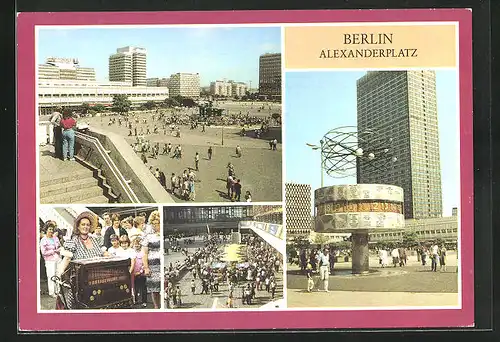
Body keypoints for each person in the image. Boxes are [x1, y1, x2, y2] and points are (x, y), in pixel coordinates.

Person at [142, 211, 162, 309]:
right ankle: (156, 307)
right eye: (153, 224)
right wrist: (146, 267)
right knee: (154, 289)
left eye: (157, 223)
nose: (155, 226)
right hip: (153, 265)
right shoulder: (148, 236)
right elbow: (144, 253)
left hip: (162, 264)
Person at [40, 222, 62, 298]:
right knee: (51, 275)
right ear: (46, 230)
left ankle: (58, 291)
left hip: (58, 259)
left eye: (52, 229)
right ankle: (52, 292)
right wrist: (53, 251)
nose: (51, 231)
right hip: (49, 261)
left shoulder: (55, 238)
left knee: (58, 275)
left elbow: (59, 246)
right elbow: (43, 252)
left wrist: (59, 250)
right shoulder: (43, 240)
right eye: (49, 229)